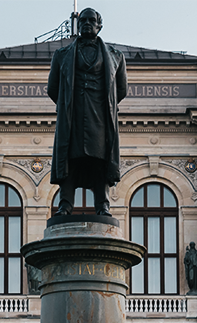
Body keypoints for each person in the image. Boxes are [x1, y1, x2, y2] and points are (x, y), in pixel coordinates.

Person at [48, 8, 127, 217]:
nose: (87, 23)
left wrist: (103, 104)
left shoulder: (116, 56)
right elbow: (52, 88)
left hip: (100, 117)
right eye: (83, 20)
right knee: (69, 158)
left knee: (100, 160)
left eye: (92, 20)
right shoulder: (61, 55)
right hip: (71, 116)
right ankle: (65, 204)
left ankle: (102, 205)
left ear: (99, 25)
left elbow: (121, 89)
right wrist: (68, 104)